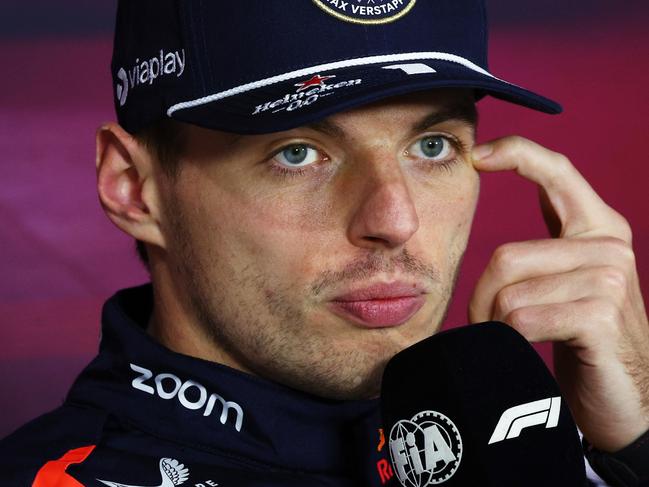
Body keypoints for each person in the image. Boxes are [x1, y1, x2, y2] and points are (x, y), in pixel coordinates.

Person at [2, 1, 648, 486]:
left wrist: (632, 450)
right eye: (297, 152)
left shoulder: (552, 456)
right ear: (133, 187)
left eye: (431, 146)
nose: (394, 220)